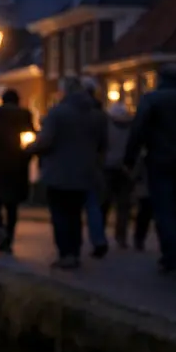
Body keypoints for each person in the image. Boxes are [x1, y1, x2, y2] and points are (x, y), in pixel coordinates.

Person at [123, 66, 176, 273]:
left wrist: (130, 158)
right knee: (175, 205)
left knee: (163, 206)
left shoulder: (152, 100)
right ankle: (174, 247)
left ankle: (172, 252)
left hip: (160, 158)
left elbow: (138, 129)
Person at [26, 77, 107, 269]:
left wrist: (30, 149)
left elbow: (45, 141)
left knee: (60, 214)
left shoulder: (58, 113)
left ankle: (66, 253)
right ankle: (76, 252)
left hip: (59, 173)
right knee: (75, 214)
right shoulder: (96, 116)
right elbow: (103, 145)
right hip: (85, 172)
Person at [0, 88, 35, 253]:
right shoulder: (26, 116)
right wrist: (25, 159)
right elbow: (30, 141)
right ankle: (9, 237)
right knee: (12, 205)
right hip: (17, 167)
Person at [81, 78, 110, 258]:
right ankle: (99, 239)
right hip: (93, 165)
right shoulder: (101, 115)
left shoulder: (74, 112)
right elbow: (104, 143)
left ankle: (72, 246)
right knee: (93, 205)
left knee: (70, 206)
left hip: (74, 166)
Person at [100, 102, 135, 249]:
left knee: (104, 203)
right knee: (123, 206)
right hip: (125, 169)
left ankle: (99, 235)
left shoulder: (106, 126)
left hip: (107, 167)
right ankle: (121, 237)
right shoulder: (132, 127)